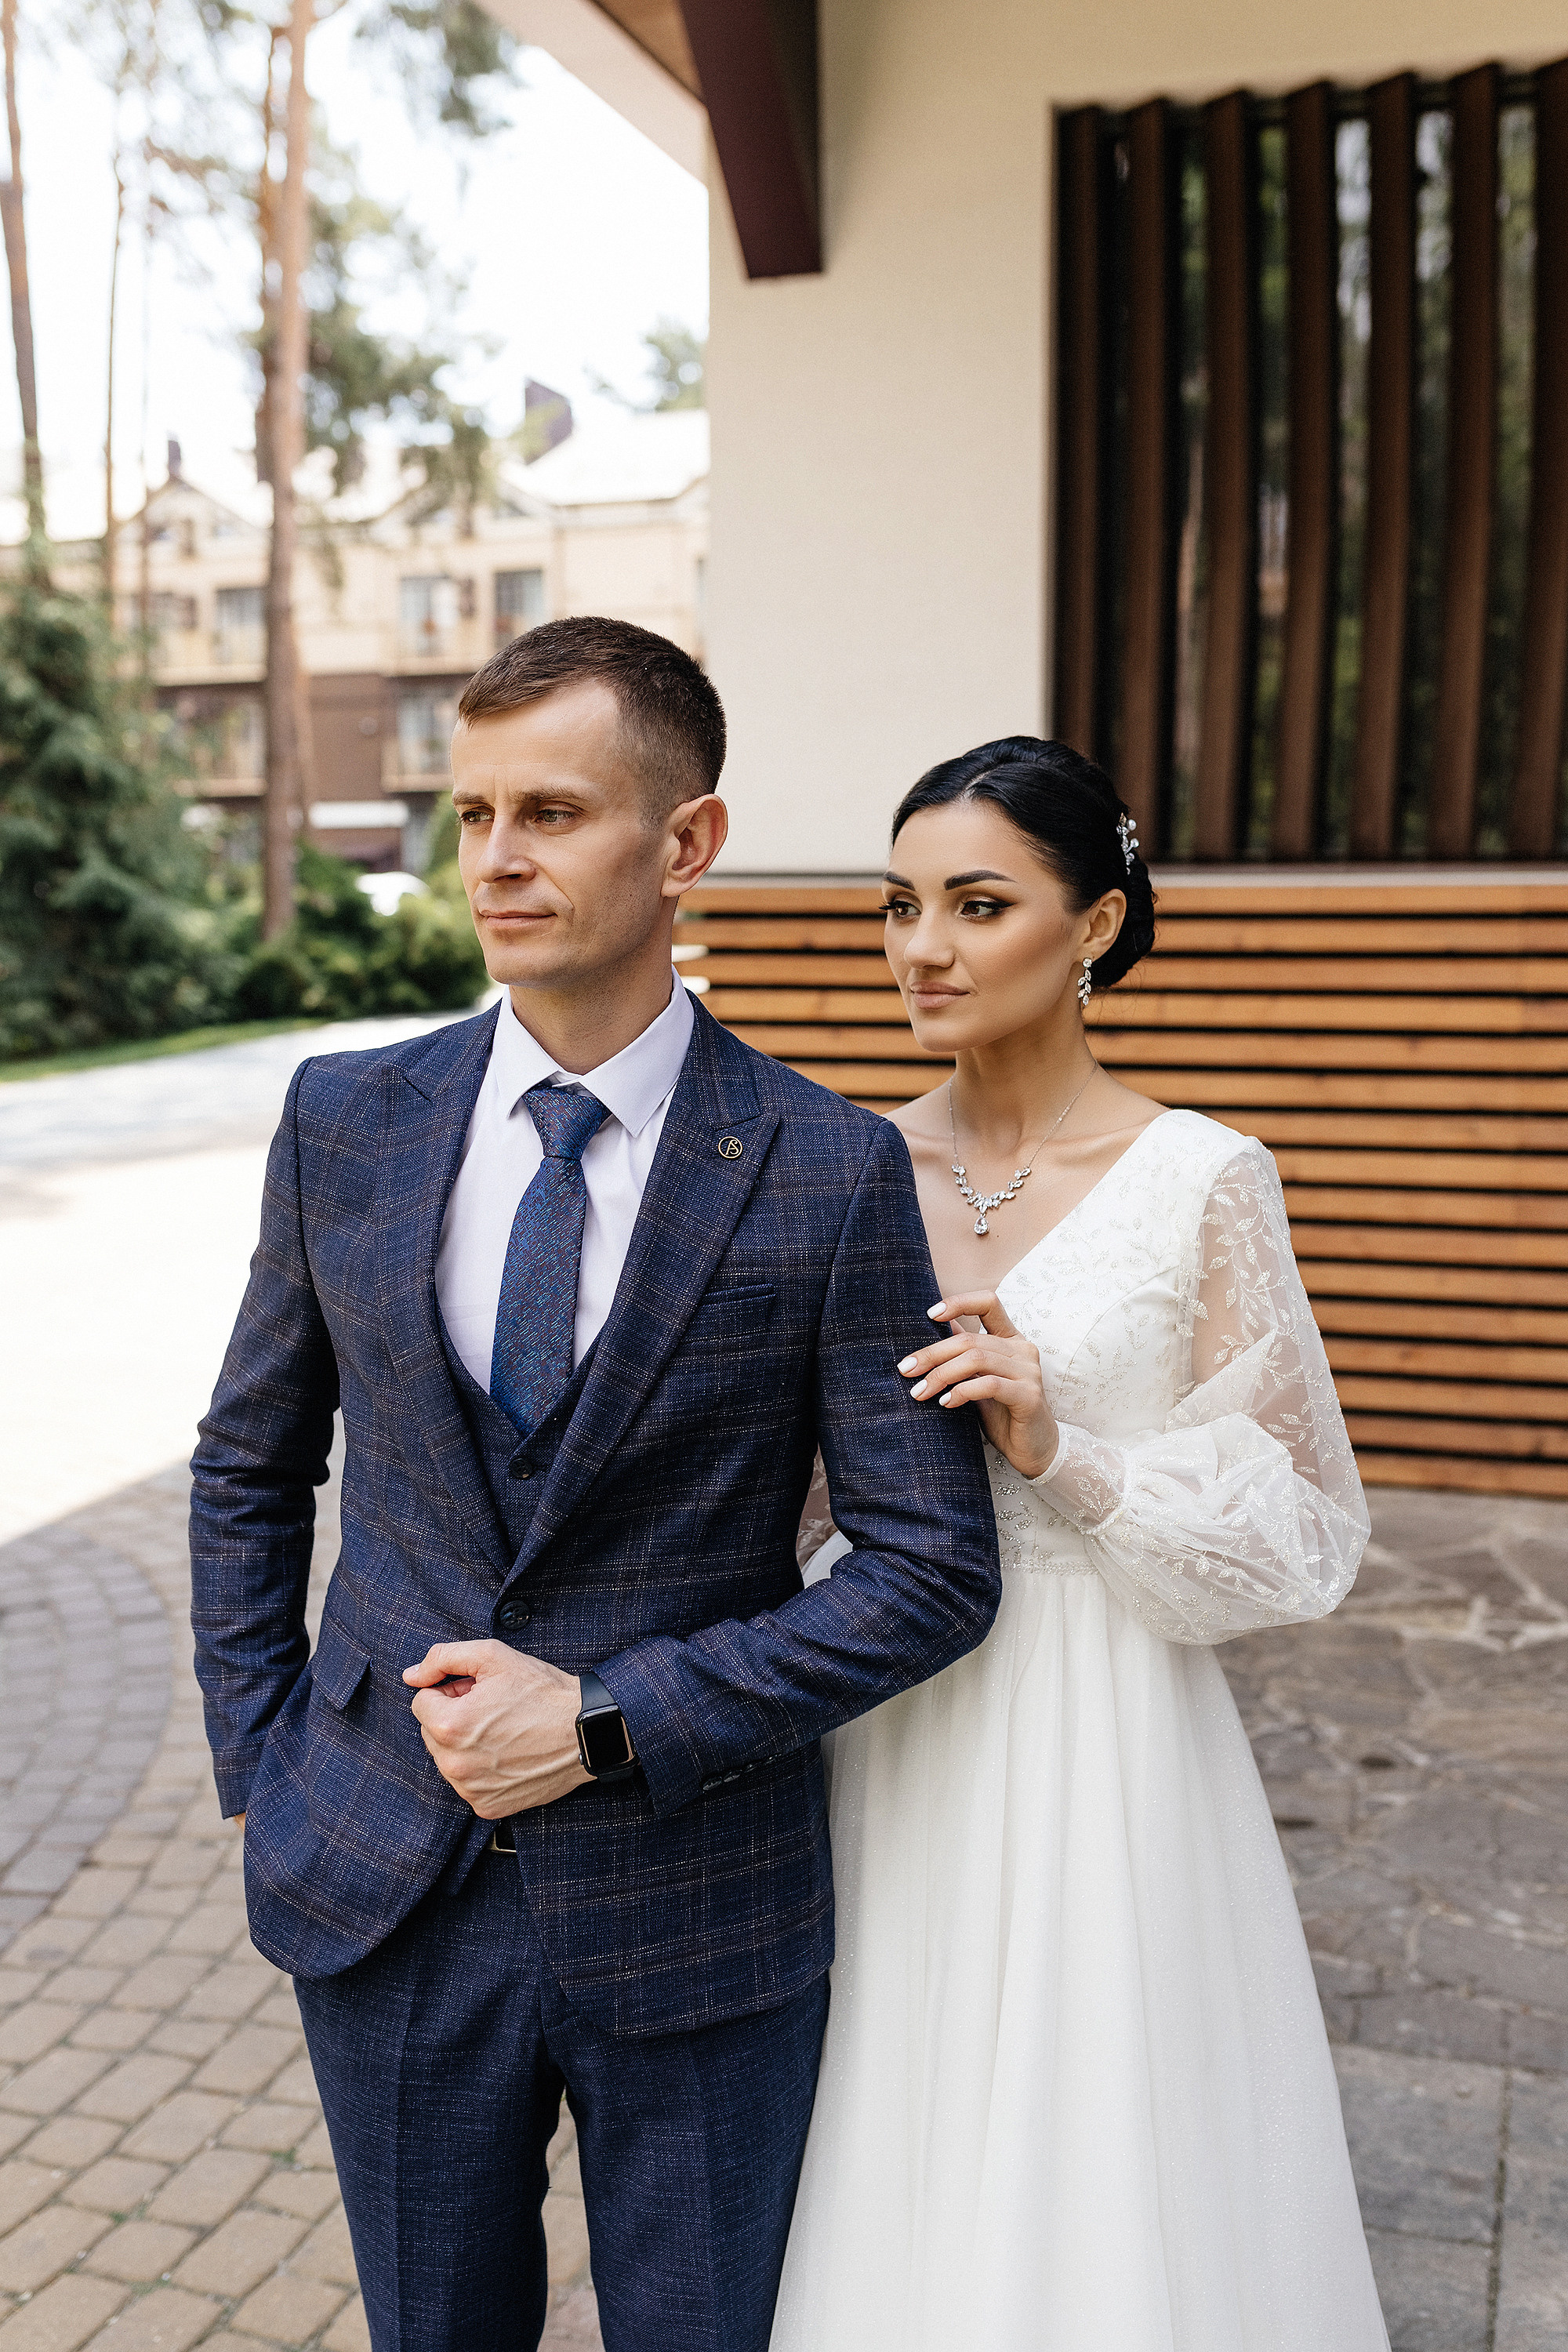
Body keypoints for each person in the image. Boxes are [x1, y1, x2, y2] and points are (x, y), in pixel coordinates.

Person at [188, 618, 1001, 2352]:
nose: (496, 860)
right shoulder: (346, 1120)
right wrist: (264, 1757)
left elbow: (932, 1567)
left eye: (550, 810)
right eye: (474, 814)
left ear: (686, 842)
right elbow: (251, 1462)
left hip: (698, 1906)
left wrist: (612, 1717)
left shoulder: (824, 1170)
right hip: (381, 1879)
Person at [771, 738, 1389, 2352]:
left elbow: (1306, 1532)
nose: (924, 947)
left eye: (978, 905)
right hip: (882, 1711)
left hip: (1098, 1724)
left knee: (1091, 2128)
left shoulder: (1199, 1178)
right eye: (898, 906)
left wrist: (1068, 1451)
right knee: (883, 2104)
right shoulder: (843, 1167)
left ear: (1096, 923)